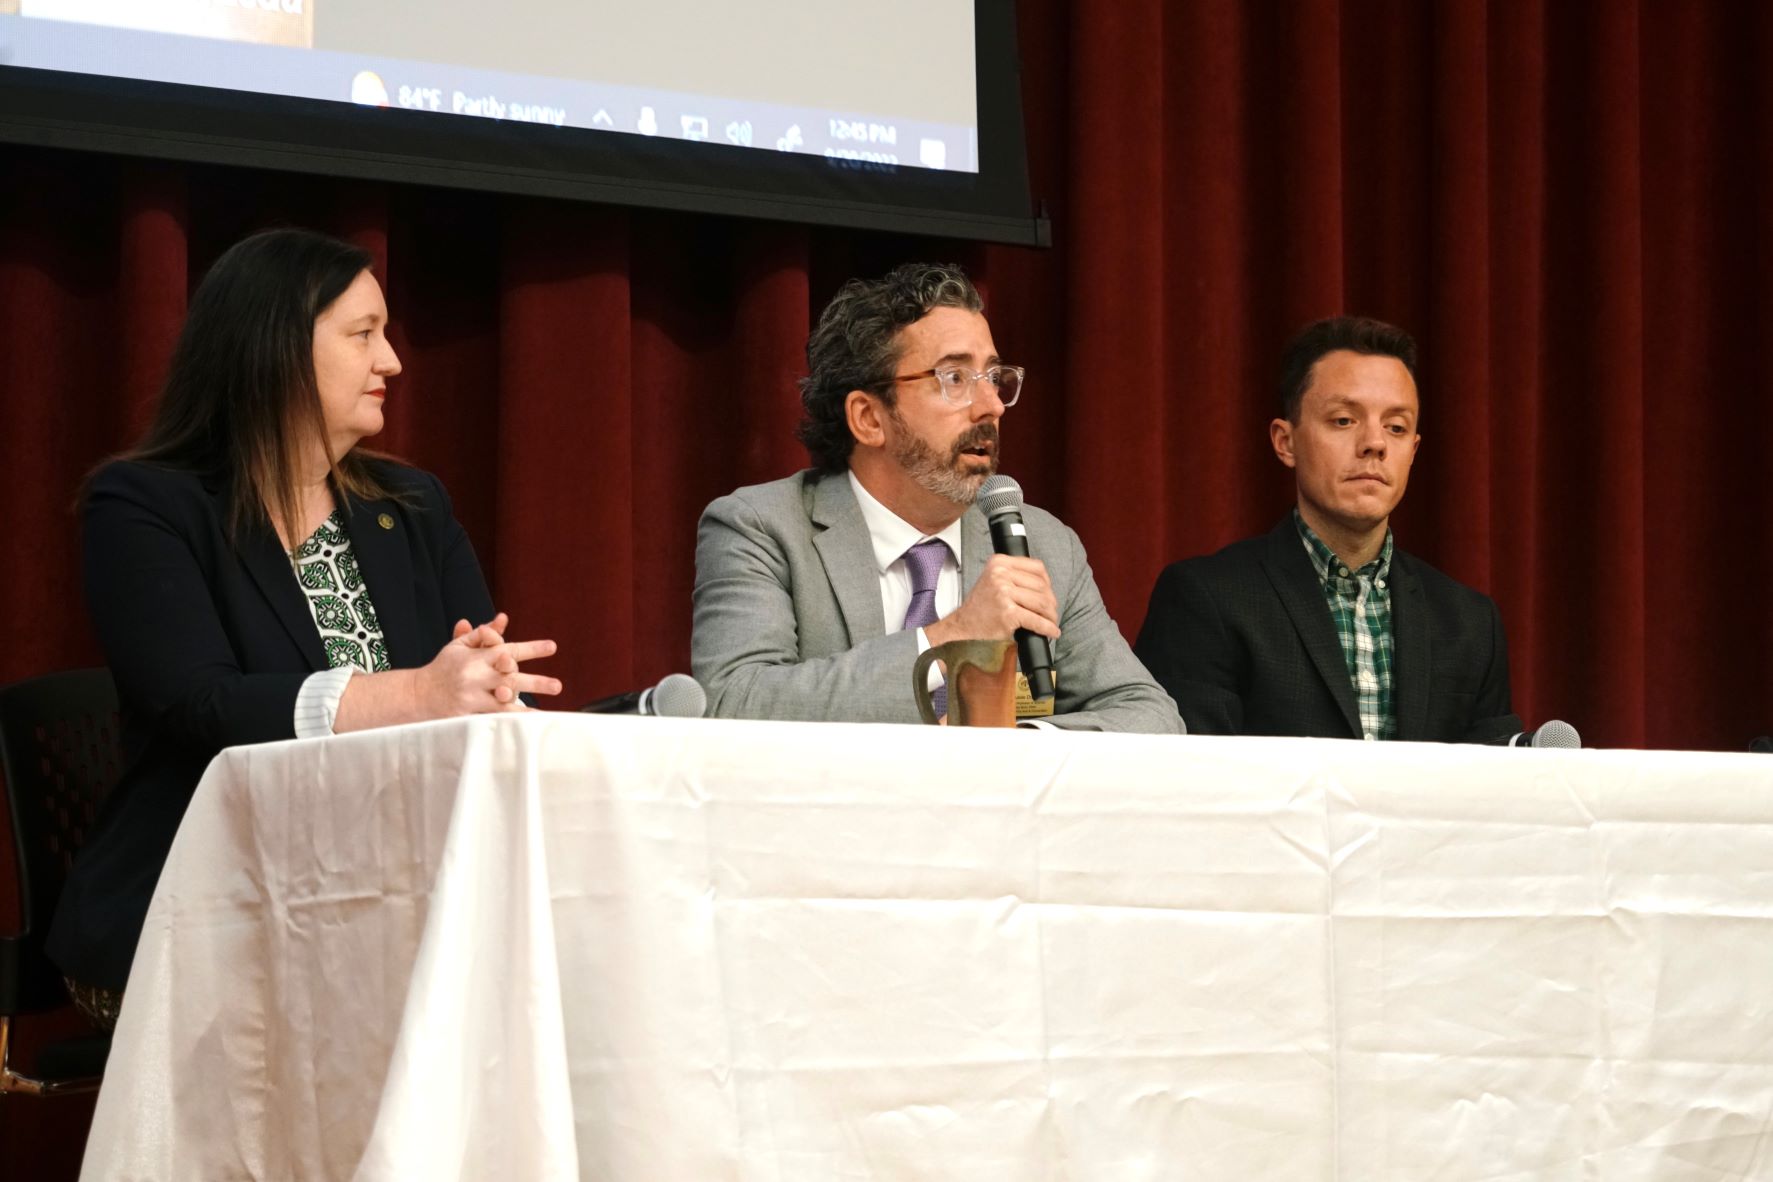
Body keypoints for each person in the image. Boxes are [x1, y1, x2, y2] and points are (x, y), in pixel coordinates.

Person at [47, 228, 561, 1025]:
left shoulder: (413, 505)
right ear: (275, 348)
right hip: (201, 899)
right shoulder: (146, 505)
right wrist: (415, 695)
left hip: (403, 890)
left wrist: (489, 694)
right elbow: (198, 706)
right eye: (363, 336)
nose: (390, 362)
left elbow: (473, 686)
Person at [691, 262, 1180, 733]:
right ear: (868, 418)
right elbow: (733, 699)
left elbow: (1148, 715)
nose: (991, 406)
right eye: (954, 379)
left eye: (993, 377)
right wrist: (952, 636)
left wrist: (1016, 744)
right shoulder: (762, 527)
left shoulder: (1042, 542)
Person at [1135, 316, 1521, 742]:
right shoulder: (1206, 599)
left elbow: (1492, 791)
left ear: (1412, 451)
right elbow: (1190, 781)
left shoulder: (1469, 623)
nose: (1374, 443)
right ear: (1286, 442)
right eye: (1344, 420)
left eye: (1396, 427)